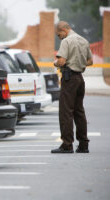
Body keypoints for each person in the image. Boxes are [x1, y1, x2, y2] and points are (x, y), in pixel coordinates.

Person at [51, 21, 93, 153]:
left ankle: (67, 144)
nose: (60, 38)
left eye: (59, 35)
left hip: (69, 79)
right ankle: (83, 144)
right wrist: (78, 62)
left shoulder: (67, 41)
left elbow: (62, 61)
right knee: (79, 111)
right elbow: (90, 61)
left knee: (66, 111)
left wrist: (56, 63)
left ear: (63, 29)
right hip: (80, 79)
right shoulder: (83, 40)